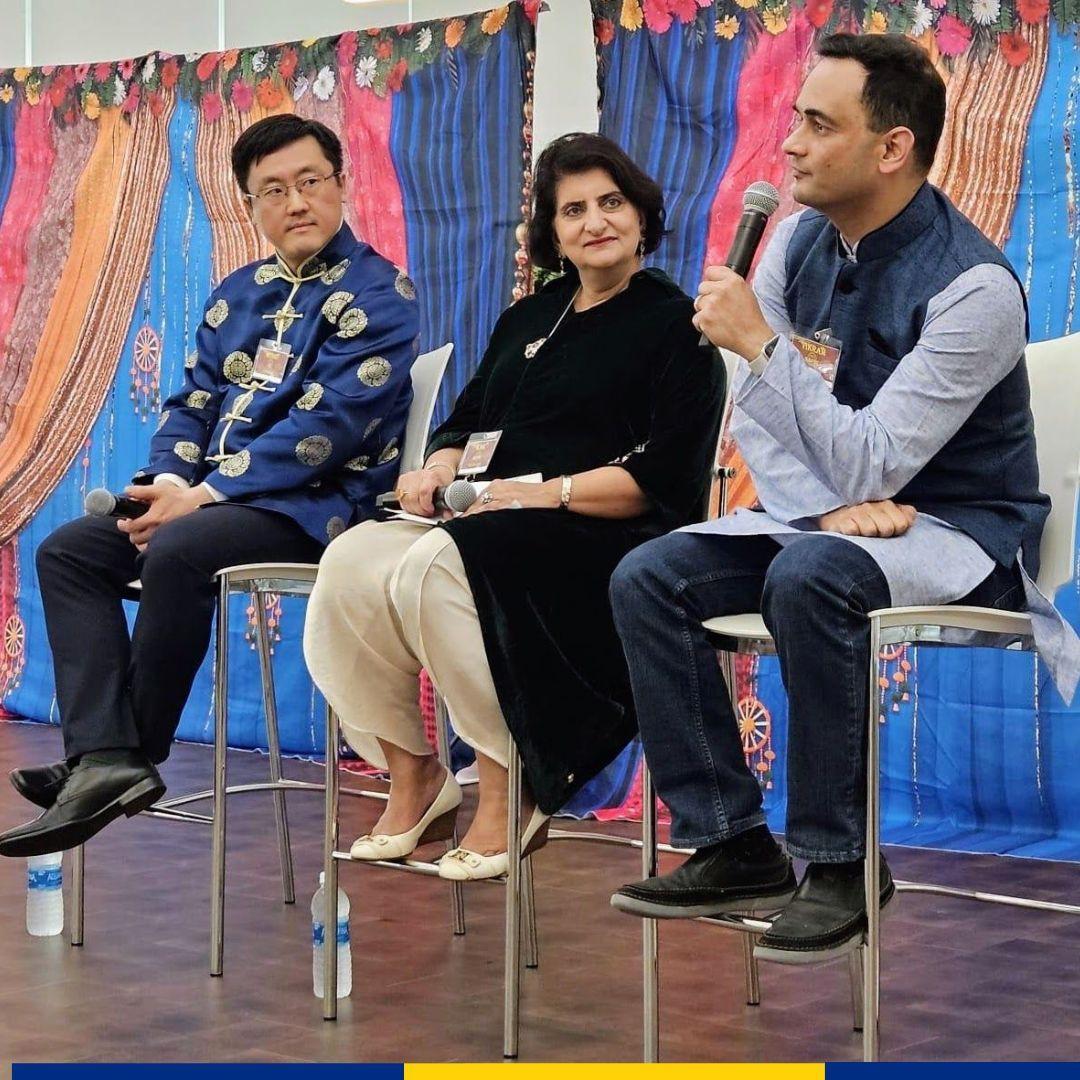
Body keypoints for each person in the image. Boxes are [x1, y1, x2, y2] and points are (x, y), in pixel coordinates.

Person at [609, 33, 1080, 963]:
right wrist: (820, 508)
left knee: (814, 579)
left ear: (891, 148)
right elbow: (767, 425)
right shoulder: (797, 240)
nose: (789, 146)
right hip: (831, 521)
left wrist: (762, 349)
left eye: (819, 126)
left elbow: (875, 462)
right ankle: (734, 842)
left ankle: (840, 863)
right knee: (649, 574)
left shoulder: (976, 287)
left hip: (955, 536)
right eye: (795, 119)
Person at [303, 132, 725, 880]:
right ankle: (415, 776)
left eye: (610, 202)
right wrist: (435, 463)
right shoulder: (530, 317)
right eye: (573, 210)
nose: (594, 221)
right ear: (552, 232)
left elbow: (667, 483)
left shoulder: (677, 326)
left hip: (607, 536)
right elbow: (467, 419)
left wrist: (540, 494)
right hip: (489, 518)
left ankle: (508, 780)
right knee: (351, 562)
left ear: (641, 215)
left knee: (436, 564)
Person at [0, 115, 419, 859]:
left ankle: (131, 755)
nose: (295, 203)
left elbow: (326, 430)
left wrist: (196, 501)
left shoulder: (379, 294)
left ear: (341, 186)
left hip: (315, 511)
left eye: (309, 183)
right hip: (205, 506)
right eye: (273, 191)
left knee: (184, 547)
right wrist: (165, 483)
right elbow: (194, 401)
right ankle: (103, 753)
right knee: (70, 551)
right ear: (251, 207)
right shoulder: (238, 294)